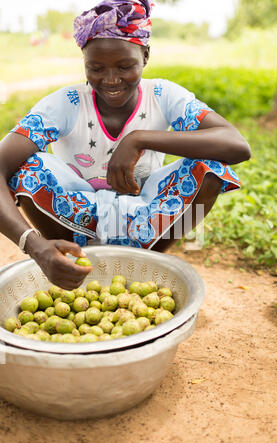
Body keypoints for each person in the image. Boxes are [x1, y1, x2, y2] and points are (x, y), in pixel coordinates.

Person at [0, 0, 251, 290]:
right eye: (95, 68)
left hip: (146, 214)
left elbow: (236, 146)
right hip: (76, 217)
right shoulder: (66, 104)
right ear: (83, 61)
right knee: (27, 167)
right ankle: (67, 262)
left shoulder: (162, 95)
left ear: (145, 56)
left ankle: (147, 262)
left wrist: (139, 138)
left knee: (209, 166)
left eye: (125, 65)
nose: (111, 79)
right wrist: (34, 245)